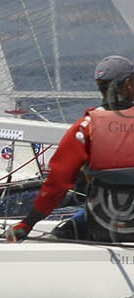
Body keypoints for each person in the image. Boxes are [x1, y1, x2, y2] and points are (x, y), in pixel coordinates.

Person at [9, 55, 134, 243]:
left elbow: (56, 186)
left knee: (62, 231)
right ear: (128, 84)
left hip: (102, 228)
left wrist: (27, 224)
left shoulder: (86, 127)